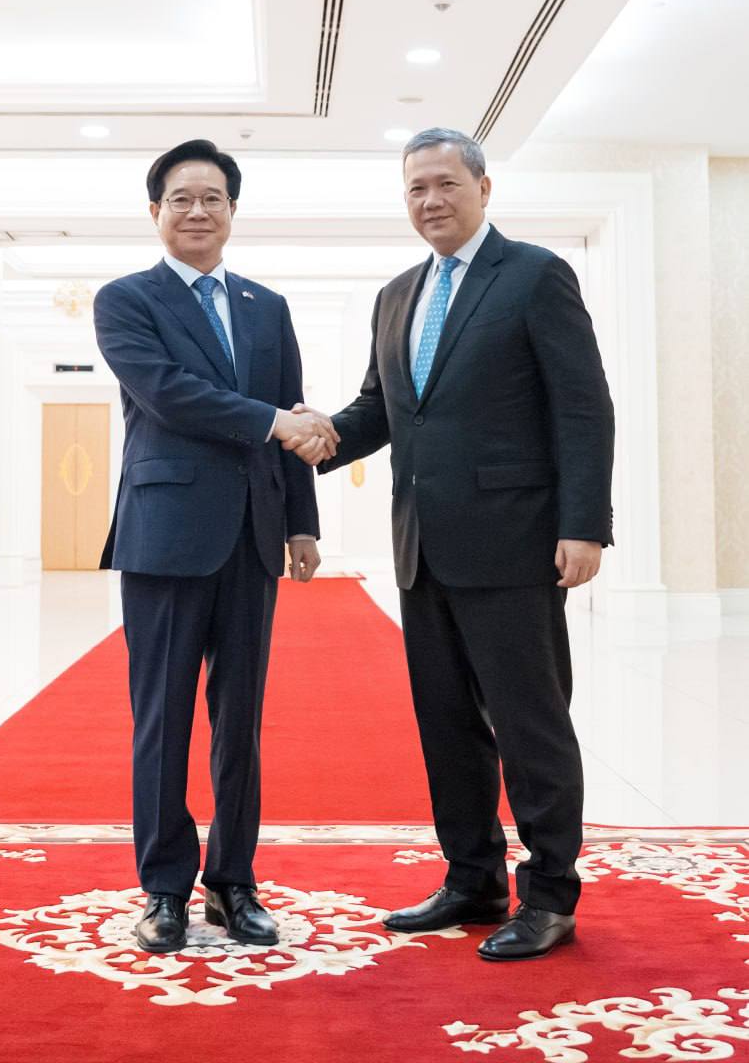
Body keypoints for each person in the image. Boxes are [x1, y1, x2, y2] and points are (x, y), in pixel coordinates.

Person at [287, 127, 614, 960]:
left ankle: (549, 894)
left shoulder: (534, 275)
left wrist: (583, 524)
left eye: (444, 184)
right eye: (415, 189)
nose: (429, 201)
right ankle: (472, 878)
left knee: (529, 726)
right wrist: (317, 435)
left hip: (514, 542)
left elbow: (582, 406)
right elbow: (383, 409)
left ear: (482, 188)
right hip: (422, 546)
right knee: (446, 724)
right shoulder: (397, 295)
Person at [94, 139, 336, 954]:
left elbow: (291, 412)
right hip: (164, 534)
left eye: (212, 199)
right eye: (180, 198)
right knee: (161, 718)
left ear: (232, 211)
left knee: (241, 720)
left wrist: (300, 521)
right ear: (155, 211)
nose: (196, 211)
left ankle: (234, 882)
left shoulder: (267, 306)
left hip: (252, 535)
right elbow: (168, 394)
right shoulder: (125, 300)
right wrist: (273, 423)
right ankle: (163, 888)